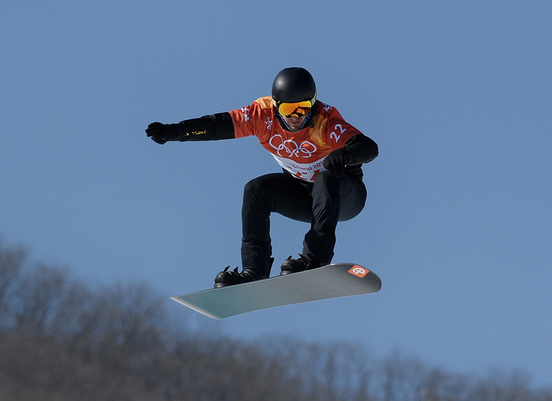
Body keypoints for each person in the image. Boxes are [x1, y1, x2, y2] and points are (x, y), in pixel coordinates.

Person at [146, 67, 378, 288]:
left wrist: (344, 154)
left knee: (325, 178)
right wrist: (175, 131)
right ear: (276, 106)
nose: (296, 117)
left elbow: (369, 147)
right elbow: (217, 126)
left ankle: (315, 259)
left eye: (303, 109)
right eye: (288, 110)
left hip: (344, 196)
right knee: (256, 189)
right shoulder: (261, 115)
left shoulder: (324, 122)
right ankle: (254, 270)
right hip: (304, 196)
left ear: (313, 104)